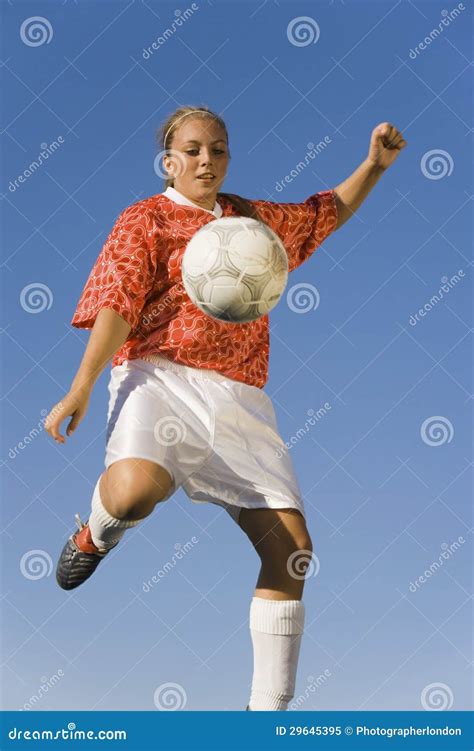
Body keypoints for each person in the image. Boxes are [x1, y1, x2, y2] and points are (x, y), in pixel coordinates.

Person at [45, 105, 406, 711]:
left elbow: (325, 215)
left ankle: (264, 718)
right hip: (159, 378)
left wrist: (373, 165)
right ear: (169, 160)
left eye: (217, 149)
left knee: (292, 550)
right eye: (191, 150)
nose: (205, 160)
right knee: (133, 493)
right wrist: (80, 387)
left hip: (240, 398)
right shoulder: (146, 220)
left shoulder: (251, 221)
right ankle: (93, 534)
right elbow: (117, 305)